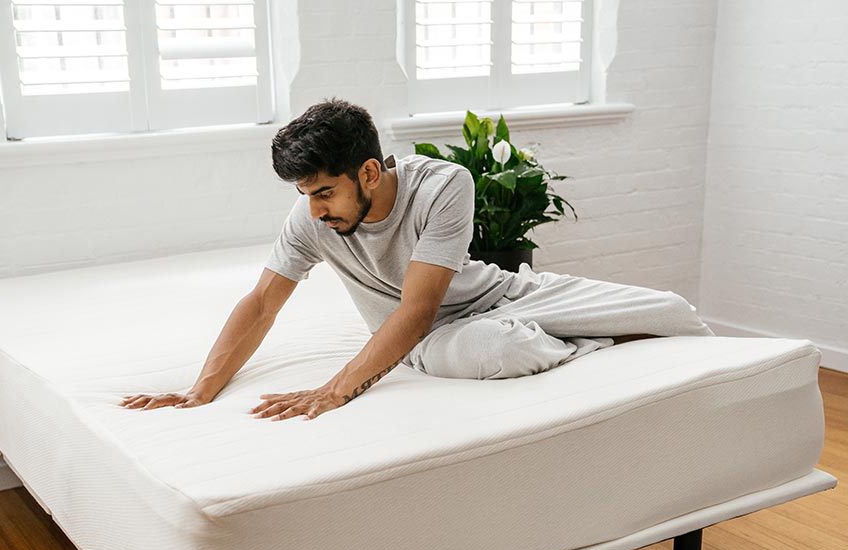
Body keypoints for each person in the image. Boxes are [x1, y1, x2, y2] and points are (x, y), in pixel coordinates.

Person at [120, 99, 714, 421]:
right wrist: (202, 389)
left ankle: (571, 329)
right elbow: (261, 304)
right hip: (423, 337)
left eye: (325, 192)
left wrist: (334, 390)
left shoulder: (443, 184)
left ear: (370, 172)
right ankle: (589, 343)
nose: (315, 209)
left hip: (497, 296)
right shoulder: (310, 219)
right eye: (304, 195)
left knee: (674, 310)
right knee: (499, 349)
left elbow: (420, 301)